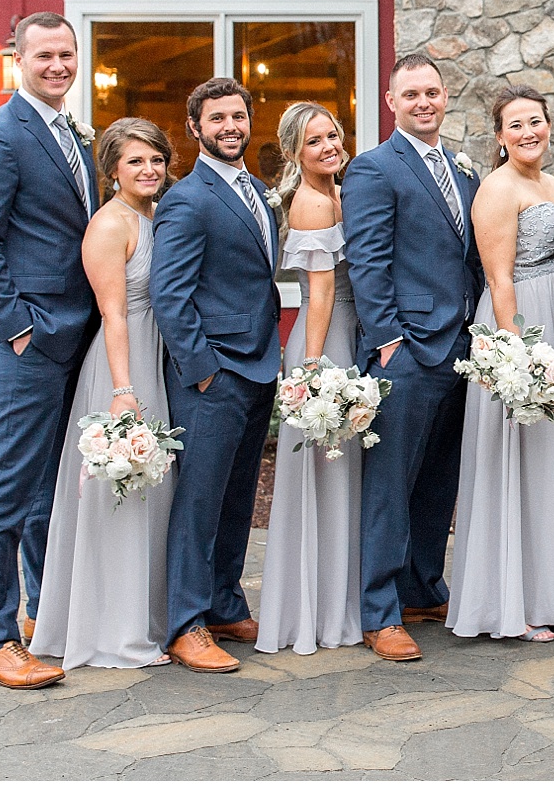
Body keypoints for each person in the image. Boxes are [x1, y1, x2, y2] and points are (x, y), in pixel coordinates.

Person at [0, 12, 101, 689]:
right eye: (44, 54)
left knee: (48, 488)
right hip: (31, 341)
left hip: (77, 334)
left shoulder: (70, 132)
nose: (58, 65)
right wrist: (20, 328)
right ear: (18, 58)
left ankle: (43, 613)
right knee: (6, 489)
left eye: (66, 53)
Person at [448, 87, 554, 644]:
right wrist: (519, 356)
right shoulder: (497, 188)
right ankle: (513, 604)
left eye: (535, 121)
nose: (528, 132)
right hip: (521, 329)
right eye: (515, 125)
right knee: (518, 460)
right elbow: (499, 279)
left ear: (548, 125)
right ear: (499, 136)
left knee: (551, 460)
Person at [343, 53, 485, 662]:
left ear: (446, 96)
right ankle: (379, 610)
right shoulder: (374, 169)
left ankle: (423, 587)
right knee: (391, 484)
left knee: (437, 480)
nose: (424, 102)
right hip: (407, 348)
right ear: (390, 101)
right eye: (411, 94)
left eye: (432, 92)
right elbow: (368, 261)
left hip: (462, 346)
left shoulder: (463, 169)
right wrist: (389, 339)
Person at [32, 118, 177, 669]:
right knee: (120, 492)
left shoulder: (159, 215)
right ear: (112, 168)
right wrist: (122, 390)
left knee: (154, 492)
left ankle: (147, 618)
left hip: (157, 358)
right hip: (124, 364)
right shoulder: (110, 225)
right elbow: (113, 313)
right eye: (135, 161)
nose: (149, 170)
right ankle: (111, 630)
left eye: (156, 160)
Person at [151, 77, 282, 673]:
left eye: (238, 116)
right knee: (199, 501)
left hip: (259, 367)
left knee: (237, 497)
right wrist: (203, 372)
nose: (231, 127)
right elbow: (170, 295)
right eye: (218, 119)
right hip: (215, 373)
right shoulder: (186, 198)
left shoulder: (257, 189)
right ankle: (186, 622)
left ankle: (225, 602)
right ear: (196, 128)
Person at [256, 103, 364, 656]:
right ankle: (315, 610)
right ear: (296, 152)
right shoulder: (313, 202)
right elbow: (318, 294)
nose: (329, 146)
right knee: (324, 470)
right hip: (326, 340)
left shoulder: (340, 190)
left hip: (346, 332)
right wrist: (315, 372)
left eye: (333, 135)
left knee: (340, 474)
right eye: (315, 141)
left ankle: (338, 598)